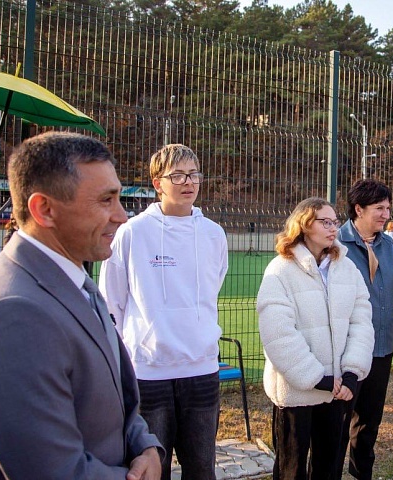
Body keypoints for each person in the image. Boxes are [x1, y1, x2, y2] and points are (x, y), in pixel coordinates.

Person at [0, 131, 163, 479]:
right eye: (106, 200)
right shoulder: (8, 318)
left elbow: (118, 398)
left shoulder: (71, 278)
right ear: (45, 209)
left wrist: (145, 446)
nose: (122, 216)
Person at [100, 144, 228, 480]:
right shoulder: (132, 233)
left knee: (201, 467)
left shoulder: (214, 234)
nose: (188, 182)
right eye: (178, 175)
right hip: (148, 370)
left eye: (193, 174)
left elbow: (212, 288)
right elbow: (113, 300)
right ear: (158, 183)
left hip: (202, 367)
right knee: (153, 468)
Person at [257, 197, 375, 479]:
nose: (333, 227)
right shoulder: (280, 270)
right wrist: (315, 377)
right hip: (297, 393)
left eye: (335, 221)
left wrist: (351, 373)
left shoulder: (348, 269)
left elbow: (361, 322)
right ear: (304, 225)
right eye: (325, 221)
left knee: (329, 468)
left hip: (337, 390)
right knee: (291, 470)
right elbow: (278, 333)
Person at [337, 179, 393, 480]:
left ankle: (362, 475)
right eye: (379, 208)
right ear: (358, 209)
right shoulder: (335, 244)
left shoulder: (389, 245)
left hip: (382, 347)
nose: (385, 214)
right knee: (337, 422)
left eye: (388, 208)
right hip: (346, 351)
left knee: (369, 422)